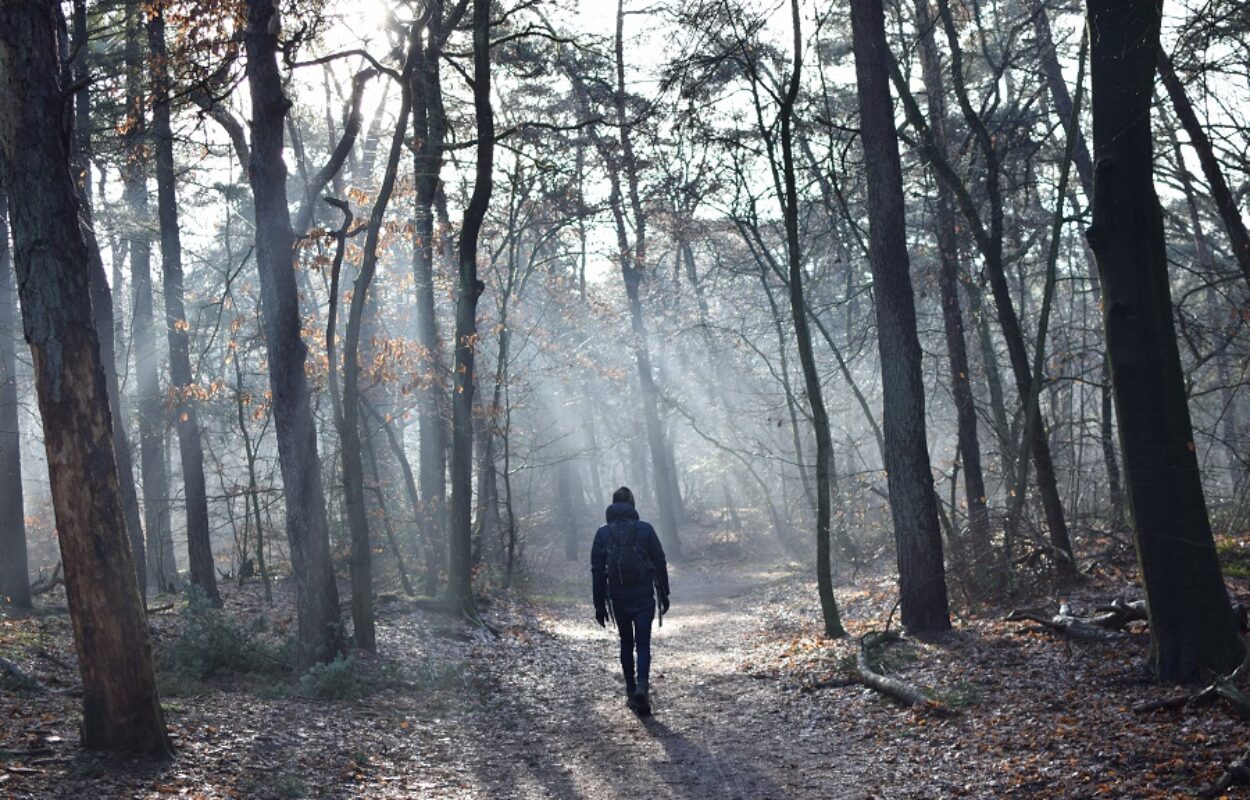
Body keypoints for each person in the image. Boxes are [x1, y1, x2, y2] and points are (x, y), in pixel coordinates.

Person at [591, 486, 670, 715]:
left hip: (618, 597)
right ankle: (642, 687)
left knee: (626, 642)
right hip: (644, 595)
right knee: (643, 644)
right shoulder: (645, 529)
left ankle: (630, 690)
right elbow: (660, 560)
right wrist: (665, 593)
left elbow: (597, 570)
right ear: (631, 505)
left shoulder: (602, 533)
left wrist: (599, 604)